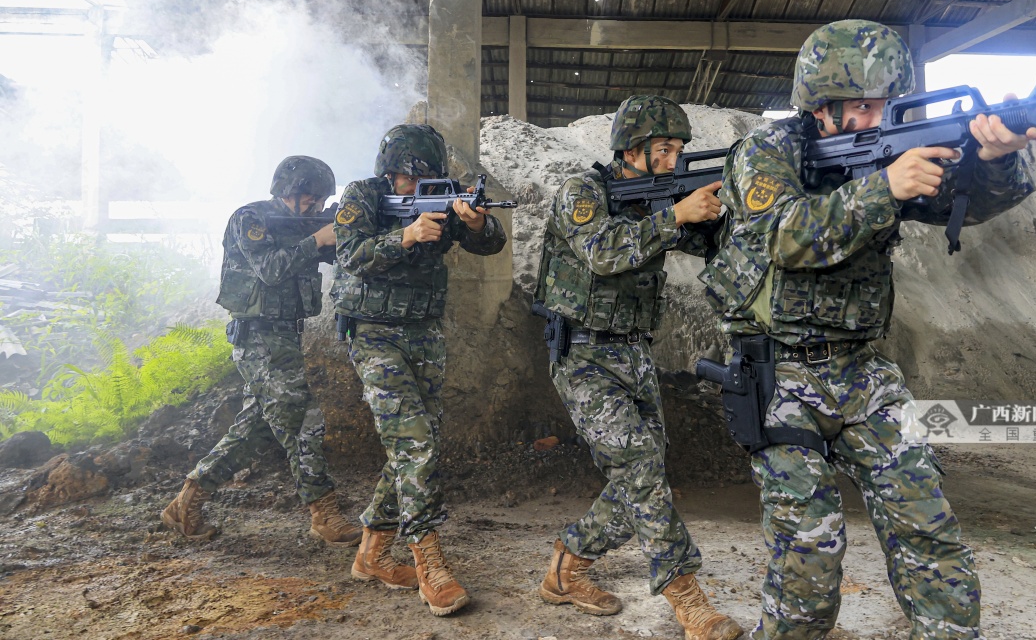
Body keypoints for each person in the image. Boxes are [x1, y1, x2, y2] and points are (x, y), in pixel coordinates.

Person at [700, 19, 1036, 640]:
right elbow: (783, 236)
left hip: (864, 372)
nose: (877, 118)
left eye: (885, 105)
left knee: (927, 526)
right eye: (862, 106)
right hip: (781, 373)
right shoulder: (766, 152)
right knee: (812, 557)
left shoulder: (893, 146)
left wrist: (993, 158)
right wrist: (883, 189)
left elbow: (970, 202)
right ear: (821, 105)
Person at [534, 95, 743, 640]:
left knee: (642, 471)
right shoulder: (584, 193)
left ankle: (568, 561)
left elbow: (712, 243)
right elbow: (603, 252)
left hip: (633, 352)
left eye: (679, 149)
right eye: (664, 149)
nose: (674, 159)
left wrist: (731, 210)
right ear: (632, 149)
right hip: (582, 354)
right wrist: (673, 216)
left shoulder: (660, 198)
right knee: (641, 470)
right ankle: (686, 595)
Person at [332, 123, 506, 617]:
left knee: (415, 440)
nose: (418, 187)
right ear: (391, 171)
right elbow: (349, 255)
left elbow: (490, 244)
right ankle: (428, 557)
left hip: (424, 334)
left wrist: (473, 224)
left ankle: (371, 553)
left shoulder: (443, 199)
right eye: (411, 178)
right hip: (372, 332)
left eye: (428, 177)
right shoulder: (362, 196)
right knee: (415, 443)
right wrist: (404, 237)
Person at [162, 155, 361, 548]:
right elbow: (269, 268)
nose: (317, 207)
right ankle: (325, 514)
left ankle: (186, 502)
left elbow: (341, 253)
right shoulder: (250, 219)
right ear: (289, 192)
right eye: (311, 199)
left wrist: (351, 229)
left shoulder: (304, 224)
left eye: (322, 201)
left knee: (256, 429)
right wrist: (317, 239)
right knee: (304, 420)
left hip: (283, 337)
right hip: (258, 337)